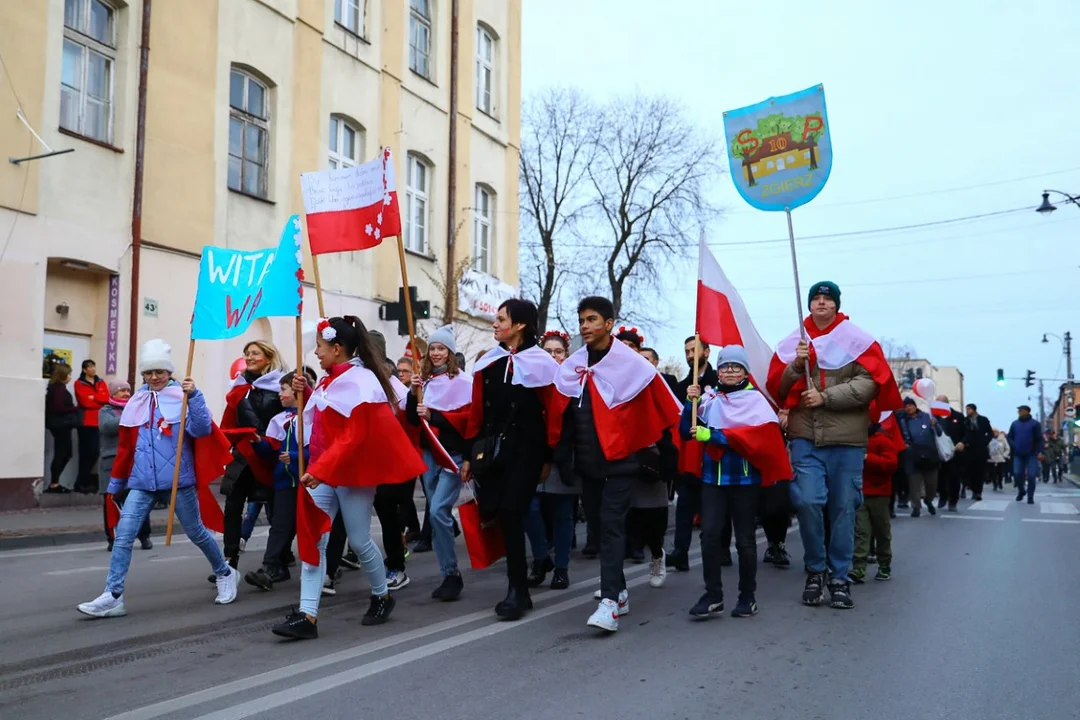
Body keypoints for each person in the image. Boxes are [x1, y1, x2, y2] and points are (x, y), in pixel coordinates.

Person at [272, 316, 425, 640]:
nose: (315, 353)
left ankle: (382, 595)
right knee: (315, 539)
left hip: (351, 474)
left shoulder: (363, 382)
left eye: (320, 346)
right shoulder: (330, 381)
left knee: (357, 539)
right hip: (323, 472)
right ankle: (307, 615)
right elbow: (319, 425)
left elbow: (352, 438)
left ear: (337, 348)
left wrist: (320, 468)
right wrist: (306, 394)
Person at [766, 281, 902, 610]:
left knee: (843, 510)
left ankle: (839, 577)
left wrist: (825, 397)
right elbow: (777, 386)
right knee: (808, 501)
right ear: (809, 304)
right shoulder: (794, 342)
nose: (821, 302)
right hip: (805, 438)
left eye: (828, 298)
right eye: (816, 298)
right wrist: (797, 366)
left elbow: (869, 383)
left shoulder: (856, 341)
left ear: (837, 305)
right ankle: (815, 569)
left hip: (847, 440)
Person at [77, 339, 238, 618]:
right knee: (123, 536)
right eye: (148, 373)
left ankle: (225, 572)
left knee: (197, 532)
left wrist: (196, 396)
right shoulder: (137, 401)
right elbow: (127, 447)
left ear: (169, 372)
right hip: (141, 483)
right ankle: (113, 595)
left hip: (179, 481)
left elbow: (200, 430)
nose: (154, 377)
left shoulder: (183, 397)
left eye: (159, 372)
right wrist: (116, 484)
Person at [549, 296, 681, 633]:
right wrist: (564, 456)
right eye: (581, 321)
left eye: (592, 319)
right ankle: (619, 590)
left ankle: (609, 602)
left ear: (609, 323)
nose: (585, 327)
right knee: (597, 525)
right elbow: (564, 415)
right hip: (588, 464)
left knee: (611, 526)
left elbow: (660, 409)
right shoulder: (575, 365)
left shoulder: (632, 365)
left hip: (622, 462)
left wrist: (667, 458)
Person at [463, 299, 559, 621]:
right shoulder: (487, 363)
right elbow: (476, 412)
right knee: (503, 515)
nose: (495, 323)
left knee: (511, 510)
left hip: (528, 450)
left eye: (501, 319)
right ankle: (520, 585)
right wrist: (467, 456)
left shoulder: (543, 363)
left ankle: (517, 590)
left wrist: (549, 456)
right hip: (493, 452)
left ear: (519, 325)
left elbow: (553, 414)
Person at [683, 345, 791, 619]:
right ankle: (713, 595)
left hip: (744, 480)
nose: (729, 371)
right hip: (712, 479)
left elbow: (757, 442)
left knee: (744, 540)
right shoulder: (709, 399)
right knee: (709, 537)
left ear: (745, 371)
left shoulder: (756, 401)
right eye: (724, 366)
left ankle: (748, 597)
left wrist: (715, 436)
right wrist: (689, 402)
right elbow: (688, 432)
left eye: (735, 366)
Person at [408, 325, 472, 601]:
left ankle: (451, 573)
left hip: (452, 456)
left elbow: (469, 424)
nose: (435, 353)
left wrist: (435, 417)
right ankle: (448, 573)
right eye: (432, 348)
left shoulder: (463, 382)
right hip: (428, 456)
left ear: (451, 353)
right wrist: (413, 395)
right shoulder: (423, 382)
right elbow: (413, 421)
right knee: (438, 516)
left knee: (436, 512)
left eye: (441, 348)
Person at [220, 341, 286, 577]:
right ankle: (229, 561)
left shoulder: (281, 387)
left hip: (270, 456)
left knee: (277, 512)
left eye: (255, 353)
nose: (249, 357)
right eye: (246, 353)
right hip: (242, 457)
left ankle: (278, 560)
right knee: (233, 507)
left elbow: (289, 420)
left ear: (269, 358)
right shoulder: (238, 388)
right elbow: (227, 423)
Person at [244, 372, 310, 591]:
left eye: (284, 390)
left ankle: (327, 566)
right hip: (284, 482)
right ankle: (271, 568)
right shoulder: (278, 420)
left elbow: (319, 450)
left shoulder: (309, 417)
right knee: (280, 526)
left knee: (310, 526)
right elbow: (270, 451)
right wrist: (258, 442)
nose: (280, 394)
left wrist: (297, 456)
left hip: (309, 482)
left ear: (297, 391)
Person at [525, 330, 580, 590]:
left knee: (562, 515)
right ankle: (540, 558)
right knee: (529, 508)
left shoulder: (575, 384)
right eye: (547, 352)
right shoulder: (531, 380)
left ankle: (562, 568)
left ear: (566, 356)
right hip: (534, 456)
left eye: (558, 352)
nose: (553, 356)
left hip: (564, 458)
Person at [668, 336, 718, 572]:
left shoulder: (719, 380)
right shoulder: (682, 385)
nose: (689, 355)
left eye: (693, 350)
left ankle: (718, 550)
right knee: (685, 506)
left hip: (712, 452)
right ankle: (680, 552)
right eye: (686, 351)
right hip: (688, 455)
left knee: (714, 507)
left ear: (706, 353)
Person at [99, 380, 151, 552]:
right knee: (111, 501)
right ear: (113, 394)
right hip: (112, 462)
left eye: (128, 390)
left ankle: (144, 536)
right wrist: (130, 415)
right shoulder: (106, 410)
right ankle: (113, 538)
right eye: (121, 390)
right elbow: (107, 426)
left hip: (133, 461)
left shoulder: (136, 408)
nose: (126, 393)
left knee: (139, 498)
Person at [851, 417, 899, 583]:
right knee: (861, 532)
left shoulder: (883, 440)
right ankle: (858, 568)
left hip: (879, 493)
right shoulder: (853, 439)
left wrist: (867, 458)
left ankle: (884, 564)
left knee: (881, 531)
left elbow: (891, 464)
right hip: (860, 491)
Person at [897, 398, 943, 516]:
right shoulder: (903, 421)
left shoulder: (927, 416)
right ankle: (916, 507)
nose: (908, 408)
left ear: (915, 406)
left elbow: (939, 433)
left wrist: (935, 424)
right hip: (913, 455)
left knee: (931, 484)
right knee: (914, 484)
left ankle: (928, 501)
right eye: (906, 406)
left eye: (910, 405)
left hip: (930, 455)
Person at [74, 359, 111, 494]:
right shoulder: (79, 383)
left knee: (95, 452)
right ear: (84, 370)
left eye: (94, 366)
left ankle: (86, 480)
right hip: (86, 423)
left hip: (99, 422)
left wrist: (94, 398)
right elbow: (85, 402)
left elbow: (106, 398)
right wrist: (98, 399)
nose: (93, 369)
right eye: (89, 367)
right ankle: (80, 482)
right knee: (86, 453)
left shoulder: (100, 382)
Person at [44, 363, 79, 494]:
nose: (70, 376)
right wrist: (75, 408)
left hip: (60, 425)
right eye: (69, 374)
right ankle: (54, 483)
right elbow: (59, 407)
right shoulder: (58, 389)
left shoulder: (57, 388)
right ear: (63, 375)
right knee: (62, 453)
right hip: (61, 425)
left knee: (65, 453)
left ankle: (55, 482)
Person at [1007, 405, 1043, 505]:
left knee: (1031, 476)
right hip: (1018, 454)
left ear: (1027, 411)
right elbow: (1010, 437)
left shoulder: (1035, 424)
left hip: (1031, 453)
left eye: (1021, 410)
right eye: (1019, 410)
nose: (1019, 412)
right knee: (1017, 473)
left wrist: (1039, 451)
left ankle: (1030, 496)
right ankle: (1021, 490)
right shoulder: (1015, 424)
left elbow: (1039, 438)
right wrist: (1014, 445)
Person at [936, 397, 966, 508]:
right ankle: (942, 497)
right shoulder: (935, 417)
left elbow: (966, 432)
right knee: (940, 477)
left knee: (954, 477)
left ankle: (953, 501)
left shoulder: (958, 416)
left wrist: (963, 442)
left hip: (954, 452)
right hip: (939, 452)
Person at [961, 403, 993, 501]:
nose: (968, 411)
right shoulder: (965, 421)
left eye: (969, 409)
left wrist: (985, 441)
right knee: (970, 471)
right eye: (967, 409)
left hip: (980, 449)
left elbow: (989, 432)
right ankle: (971, 488)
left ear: (974, 410)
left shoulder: (983, 420)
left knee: (980, 471)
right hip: (969, 448)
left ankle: (978, 492)